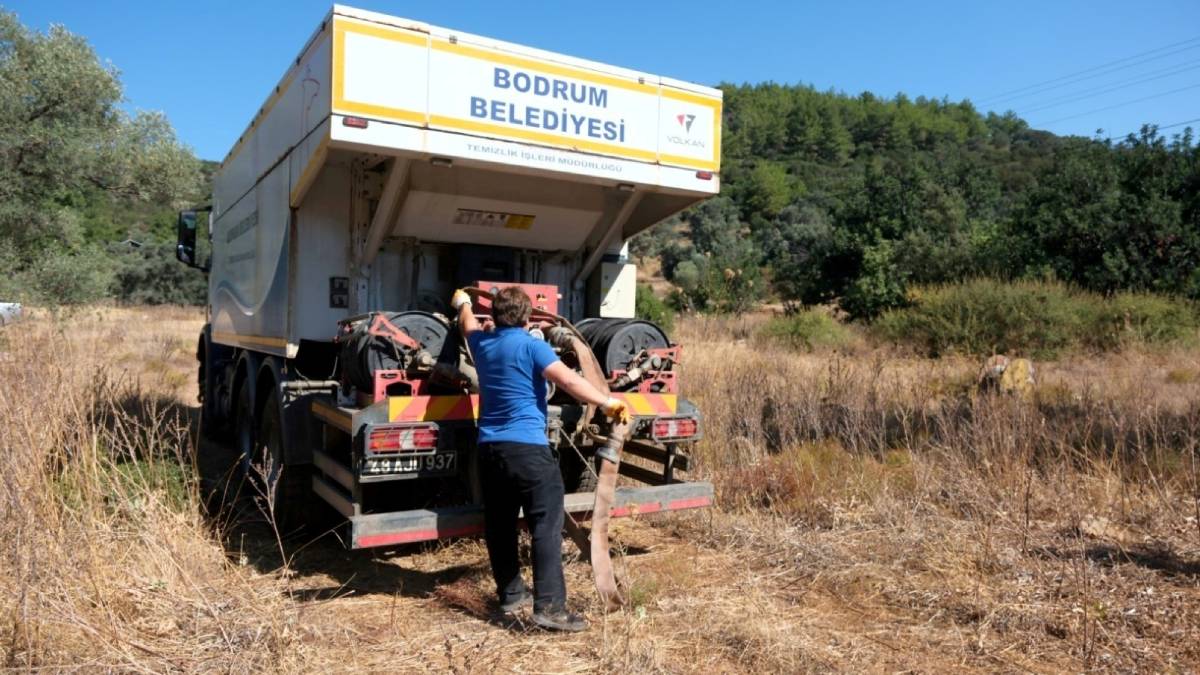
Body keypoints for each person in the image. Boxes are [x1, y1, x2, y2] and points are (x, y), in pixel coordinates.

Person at [452, 287, 629, 632]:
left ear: (495, 317)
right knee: (546, 526)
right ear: (528, 318)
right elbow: (568, 381)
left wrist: (464, 303)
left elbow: (466, 324)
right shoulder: (533, 346)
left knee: (500, 525)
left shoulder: (482, 345)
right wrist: (608, 404)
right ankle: (550, 607)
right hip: (528, 451)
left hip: (490, 451)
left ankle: (511, 594)